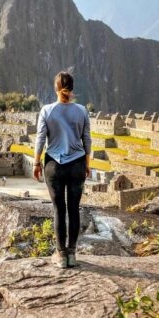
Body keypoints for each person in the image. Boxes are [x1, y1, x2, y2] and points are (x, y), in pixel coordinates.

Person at [33, 72, 91, 268]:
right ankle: (73, 254)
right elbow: (87, 139)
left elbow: (41, 138)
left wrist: (36, 162)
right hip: (77, 165)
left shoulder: (47, 110)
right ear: (72, 88)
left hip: (54, 166)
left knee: (59, 210)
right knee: (74, 209)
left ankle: (61, 255)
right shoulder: (82, 111)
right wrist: (87, 164)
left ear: (55, 88)